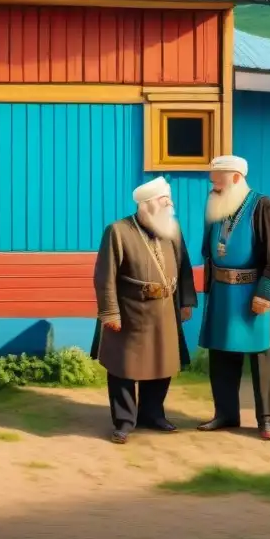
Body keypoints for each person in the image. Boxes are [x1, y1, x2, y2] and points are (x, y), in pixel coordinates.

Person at [91, 176, 197, 444]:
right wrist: (111, 313)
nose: (170, 204)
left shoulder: (171, 228)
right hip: (130, 311)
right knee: (124, 367)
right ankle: (125, 421)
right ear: (148, 205)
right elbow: (105, 276)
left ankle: (153, 414)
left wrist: (185, 301)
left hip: (165, 309)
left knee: (162, 363)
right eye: (165, 200)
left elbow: (184, 266)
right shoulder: (118, 231)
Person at [197, 155, 270, 440]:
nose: (214, 186)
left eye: (219, 181)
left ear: (236, 178)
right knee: (221, 354)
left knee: (260, 357)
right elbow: (210, 252)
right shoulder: (217, 206)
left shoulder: (263, 206)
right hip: (223, 294)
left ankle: (266, 420)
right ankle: (225, 413)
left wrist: (265, 293)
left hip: (253, 292)